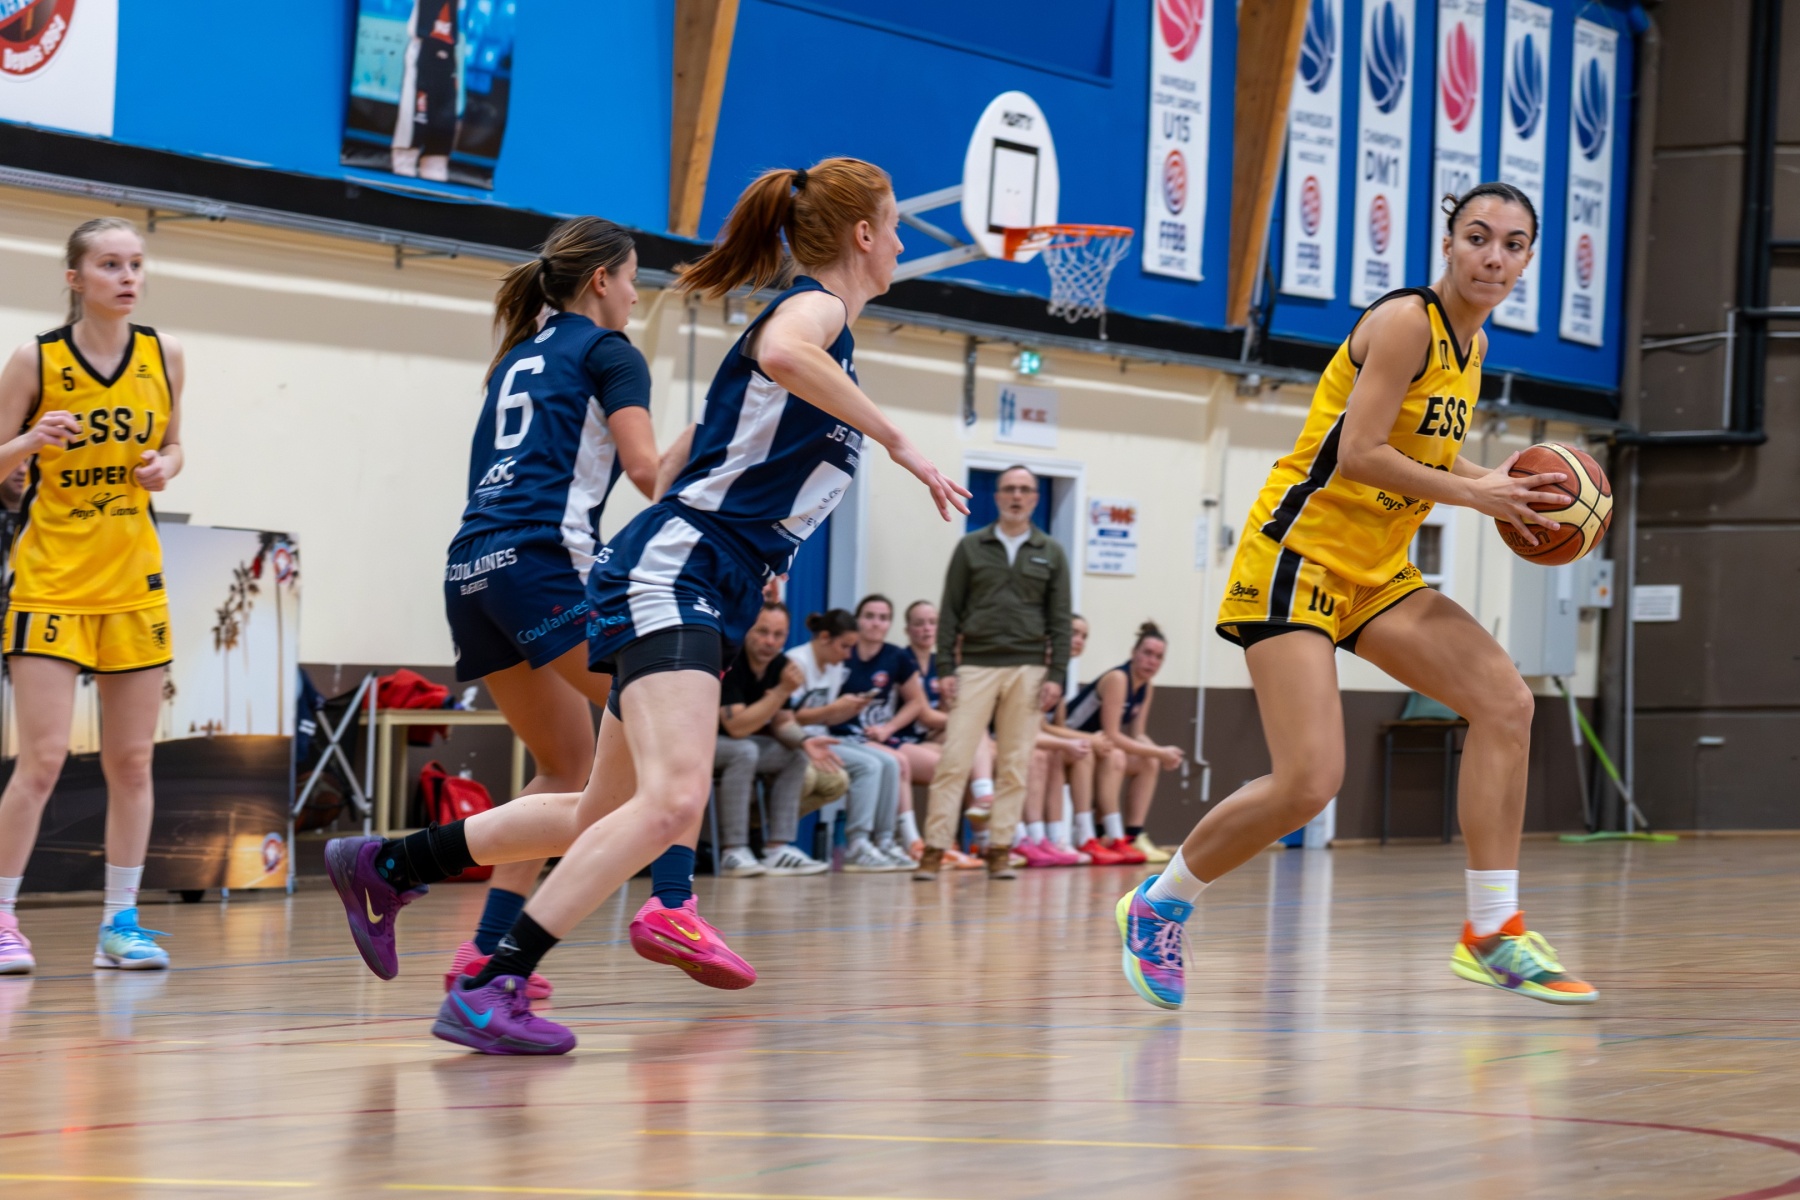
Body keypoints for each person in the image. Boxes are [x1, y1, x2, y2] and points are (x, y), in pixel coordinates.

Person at [327, 155, 966, 1053]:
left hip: (689, 570)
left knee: (602, 809)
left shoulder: (817, 332)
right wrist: (900, 441)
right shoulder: (814, 310)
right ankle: (498, 979)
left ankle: (390, 862)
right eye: (894, 224)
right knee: (672, 800)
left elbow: (712, 451)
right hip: (673, 572)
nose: (900, 241)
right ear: (864, 234)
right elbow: (784, 352)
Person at [1117, 182, 1597, 1011]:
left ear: (1528, 260)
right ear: (1448, 243)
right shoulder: (1408, 321)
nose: (1493, 256)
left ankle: (1493, 931)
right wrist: (1478, 496)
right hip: (1297, 555)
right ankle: (1159, 904)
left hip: (1377, 569)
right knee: (1310, 781)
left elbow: (1428, 456)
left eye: (1512, 244)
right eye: (1478, 236)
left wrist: (1504, 487)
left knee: (1506, 703)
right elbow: (1361, 454)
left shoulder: (1473, 347)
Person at [435, 216, 753, 997]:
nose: (638, 294)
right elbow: (649, 475)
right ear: (601, 280)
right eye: (634, 277)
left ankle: (484, 952)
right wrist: (713, 430)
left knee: (567, 767)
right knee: (670, 732)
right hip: (544, 563)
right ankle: (673, 903)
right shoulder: (609, 352)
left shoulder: (517, 355)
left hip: (472, 571)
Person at [0, 218, 185, 974]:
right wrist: (28, 442)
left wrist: (166, 466)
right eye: (110, 264)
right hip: (51, 581)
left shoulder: (164, 354)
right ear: (75, 278)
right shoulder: (34, 359)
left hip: (133, 583)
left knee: (133, 763)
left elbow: (175, 445)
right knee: (41, 761)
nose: (127, 276)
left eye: (135, 263)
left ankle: (121, 924)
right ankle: (2, 918)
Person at [916, 466, 1071, 880]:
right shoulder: (970, 547)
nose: (1016, 496)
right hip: (975, 665)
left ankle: (1000, 848)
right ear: (998, 496)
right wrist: (946, 667)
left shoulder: (1052, 552)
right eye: (1009, 489)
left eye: (1024, 490)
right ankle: (934, 849)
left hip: (1029, 668)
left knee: (1016, 763)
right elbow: (950, 610)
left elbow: (1060, 619)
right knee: (954, 759)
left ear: (1035, 498)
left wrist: (1056, 674)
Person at [715, 601, 835, 876]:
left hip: (738, 745)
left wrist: (804, 741)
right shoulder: (730, 659)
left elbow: (783, 722)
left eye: (778, 635)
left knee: (794, 756)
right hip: (702, 743)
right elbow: (736, 727)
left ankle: (776, 849)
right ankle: (733, 850)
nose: (770, 641)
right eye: (763, 631)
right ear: (748, 629)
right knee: (744, 750)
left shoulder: (780, 665)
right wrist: (781, 691)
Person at [786, 609, 911, 871]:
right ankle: (857, 844)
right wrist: (833, 710)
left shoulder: (834, 666)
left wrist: (849, 709)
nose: (847, 655)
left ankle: (884, 840)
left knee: (890, 763)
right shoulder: (797, 662)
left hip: (823, 736)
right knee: (869, 766)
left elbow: (825, 717)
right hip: (799, 741)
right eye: (844, 646)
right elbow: (789, 718)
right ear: (824, 638)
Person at [1067, 621, 1184, 866]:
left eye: (1158, 657)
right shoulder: (1118, 678)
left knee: (1148, 762)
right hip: (1073, 741)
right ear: (1133, 652)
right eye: (1147, 653)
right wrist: (1159, 751)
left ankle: (1133, 834)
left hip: (1100, 747)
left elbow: (1138, 733)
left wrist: (1161, 753)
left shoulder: (1146, 687)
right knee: (1118, 755)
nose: (1152, 661)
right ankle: (1107, 834)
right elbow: (1113, 735)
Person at [886, 600, 984, 869]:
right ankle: (940, 842)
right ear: (907, 630)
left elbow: (941, 713)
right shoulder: (901, 659)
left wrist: (949, 703)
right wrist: (964, 721)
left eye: (932, 623)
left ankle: (982, 840)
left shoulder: (941, 663)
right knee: (952, 764)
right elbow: (924, 714)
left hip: (927, 738)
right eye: (919, 624)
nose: (926, 629)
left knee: (969, 749)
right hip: (900, 738)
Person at [834, 594, 930, 864]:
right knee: (894, 763)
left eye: (883, 618)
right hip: (840, 732)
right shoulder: (843, 653)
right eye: (869, 616)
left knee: (902, 763)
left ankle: (891, 841)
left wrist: (888, 728)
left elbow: (916, 702)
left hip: (875, 735)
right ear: (857, 620)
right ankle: (895, 841)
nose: (876, 623)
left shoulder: (896, 656)